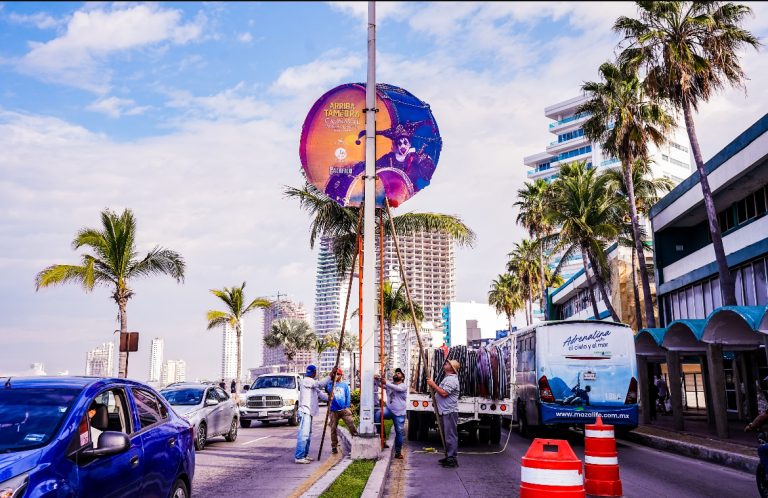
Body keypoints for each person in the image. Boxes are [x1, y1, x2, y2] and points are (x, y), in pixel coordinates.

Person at [294, 365, 333, 464]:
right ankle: (299, 457)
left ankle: (304, 455)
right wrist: (330, 376)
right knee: (303, 435)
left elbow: (320, 393)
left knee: (308, 435)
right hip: (305, 411)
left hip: (309, 412)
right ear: (314, 372)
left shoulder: (312, 384)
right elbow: (320, 384)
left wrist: (329, 397)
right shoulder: (307, 380)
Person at [426, 359, 461, 468]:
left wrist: (433, 384)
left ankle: (452, 458)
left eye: (447, 364)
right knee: (447, 435)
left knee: (450, 435)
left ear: (452, 368)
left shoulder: (452, 380)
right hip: (445, 411)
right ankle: (449, 456)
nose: (445, 364)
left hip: (449, 411)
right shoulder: (448, 378)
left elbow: (444, 393)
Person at [375, 367, 408, 459]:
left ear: (402, 378)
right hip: (389, 410)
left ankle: (398, 452)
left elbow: (397, 388)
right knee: (378, 414)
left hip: (399, 413)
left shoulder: (403, 386)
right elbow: (380, 385)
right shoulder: (390, 385)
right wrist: (377, 379)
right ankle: (382, 437)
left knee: (399, 432)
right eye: (396, 373)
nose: (396, 374)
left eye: (399, 373)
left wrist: (386, 383)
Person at [326, 369, 358, 454]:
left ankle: (357, 443)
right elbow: (329, 390)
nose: (336, 376)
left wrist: (346, 407)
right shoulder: (330, 384)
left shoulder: (344, 385)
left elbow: (347, 396)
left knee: (351, 426)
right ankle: (334, 446)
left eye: (338, 374)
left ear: (341, 375)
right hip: (333, 410)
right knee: (333, 428)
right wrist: (332, 380)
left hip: (344, 410)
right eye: (335, 374)